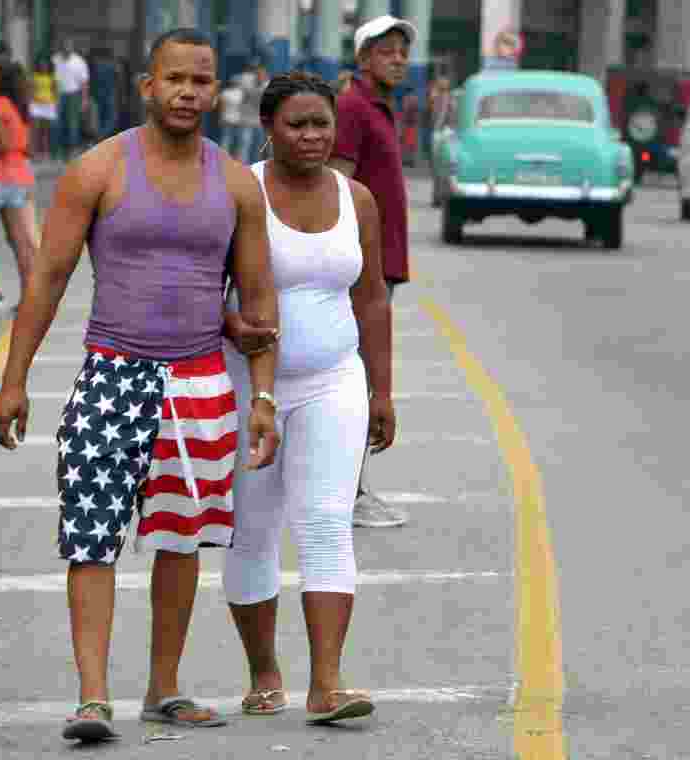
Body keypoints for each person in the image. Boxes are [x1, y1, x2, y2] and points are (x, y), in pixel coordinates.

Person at [0, 27, 281, 743]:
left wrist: (263, 396)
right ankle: (93, 697)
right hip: (111, 376)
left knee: (181, 542)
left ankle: (164, 689)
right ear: (147, 86)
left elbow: (260, 301)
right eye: (174, 78)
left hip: (201, 383)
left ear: (217, 91)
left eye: (201, 81)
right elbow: (47, 279)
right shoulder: (97, 169)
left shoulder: (237, 183)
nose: (188, 92)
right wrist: (12, 380)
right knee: (91, 537)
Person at [221, 69, 395, 723]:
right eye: (296, 123)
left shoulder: (358, 199)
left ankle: (327, 683)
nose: (312, 135)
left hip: (334, 381)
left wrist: (382, 389)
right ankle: (264, 671)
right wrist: (231, 325)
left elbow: (372, 297)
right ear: (268, 128)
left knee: (325, 523)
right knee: (253, 533)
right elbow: (203, 290)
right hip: (249, 389)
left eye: (322, 123)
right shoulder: (239, 192)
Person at [329, 14, 416, 529]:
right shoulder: (354, 107)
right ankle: (351, 493)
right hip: (362, 268)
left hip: (380, 265)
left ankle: (351, 487)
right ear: (363, 60)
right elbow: (337, 187)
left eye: (403, 52)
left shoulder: (380, 107)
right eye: (387, 51)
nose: (398, 59)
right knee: (355, 378)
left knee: (358, 375)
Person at [0, 61, 38, 310]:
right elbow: (24, 144)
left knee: (20, 241)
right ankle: (30, 298)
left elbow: (3, 144)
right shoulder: (21, 107)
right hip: (19, 177)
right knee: (20, 241)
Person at [52, 39, 90, 161]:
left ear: (72, 48)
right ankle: (58, 151)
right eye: (64, 46)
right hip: (57, 94)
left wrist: (84, 99)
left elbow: (84, 83)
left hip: (73, 95)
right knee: (58, 123)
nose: (66, 49)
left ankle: (71, 151)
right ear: (61, 47)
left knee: (72, 124)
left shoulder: (79, 62)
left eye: (68, 47)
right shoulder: (55, 59)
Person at [30, 57, 57, 160]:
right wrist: (33, 98)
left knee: (46, 131)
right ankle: (35, 152)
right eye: (41, 64)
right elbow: (31, 90)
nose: (43, 66)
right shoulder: (34, 76)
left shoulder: (52, 77)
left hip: (48, 105)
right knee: (36, 129)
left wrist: (54, 103)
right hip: (37, 105)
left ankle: (46, 152)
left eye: (45, 64)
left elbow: (55, 91)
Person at [218, 74, 247, 160]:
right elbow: (243, 107)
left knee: (226, 139)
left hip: (228, 118)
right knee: (237, 140)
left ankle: (223, 157)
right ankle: (238, 158)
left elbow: (221, 107)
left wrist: (221, 118)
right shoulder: (241, 93)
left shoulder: (225, 92)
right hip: (237, 119)